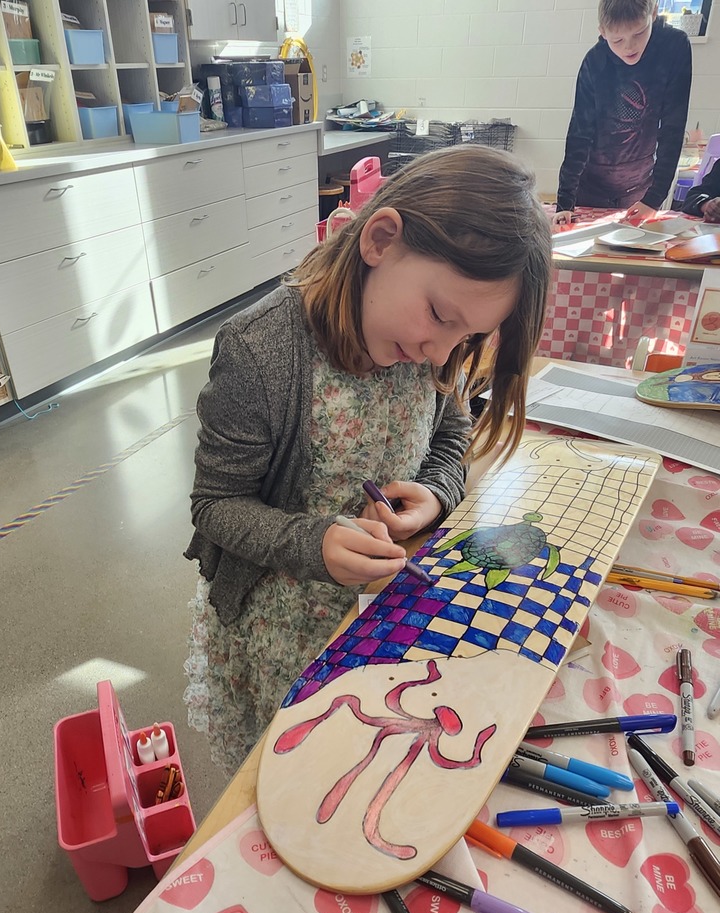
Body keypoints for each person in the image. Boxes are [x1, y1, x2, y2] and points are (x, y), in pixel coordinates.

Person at [183, 146, 552, 778]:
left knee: (366, 764)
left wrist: (437, 490)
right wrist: (313, 541)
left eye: (465, 338)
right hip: (281, 626)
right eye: (439, 315)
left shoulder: (435, 346)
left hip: (380, 616)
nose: (440, 351)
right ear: (380, 240)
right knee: (286, 776)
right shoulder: (261, 352)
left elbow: (451, 431)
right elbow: (215, 506)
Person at [553, 0, 691, 229]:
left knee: (631, 251)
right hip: (591, 183)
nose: (629, 46)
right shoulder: (595, 61)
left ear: (654, 13)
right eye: (617, 40)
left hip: (639, 185)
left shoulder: (674, 47)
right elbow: (579, 134)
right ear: (602, 32)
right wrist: (565, 202)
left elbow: (672, 128)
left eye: (639, 33)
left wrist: (653, 198)